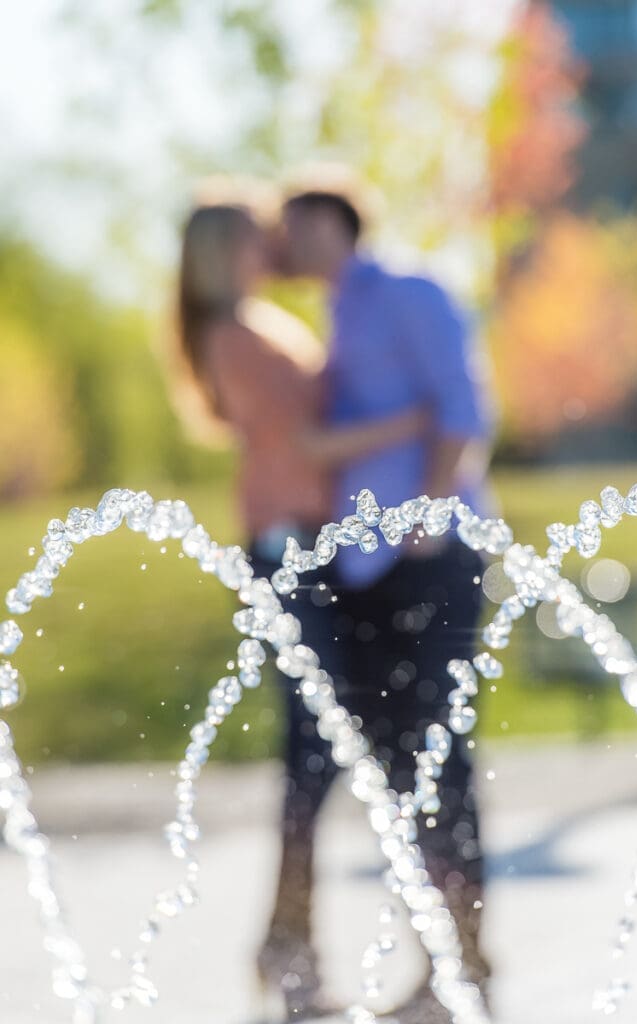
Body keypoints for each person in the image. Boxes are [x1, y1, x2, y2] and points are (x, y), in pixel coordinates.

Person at [175, 202, 429, 1018]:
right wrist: (416, 420)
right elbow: (305, 447)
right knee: (313, 753)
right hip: (288, 550)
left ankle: (289, 946)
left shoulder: (261, 321)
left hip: (320, 548)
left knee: (329, 748)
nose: (275, 244)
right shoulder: (235, 335)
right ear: (228, 250)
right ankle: (287, 950)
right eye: (259, 234)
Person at [257, 189, 493, 1023]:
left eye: (302, 225)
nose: (290, 241)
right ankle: (438, 965)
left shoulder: (408, 294)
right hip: (364, 569)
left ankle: (465, 965)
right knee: (394, 770)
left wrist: (428, 517)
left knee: (438, 759)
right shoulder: (335, 320)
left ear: (341, 226)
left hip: (426, 555)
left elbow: (462, 407)